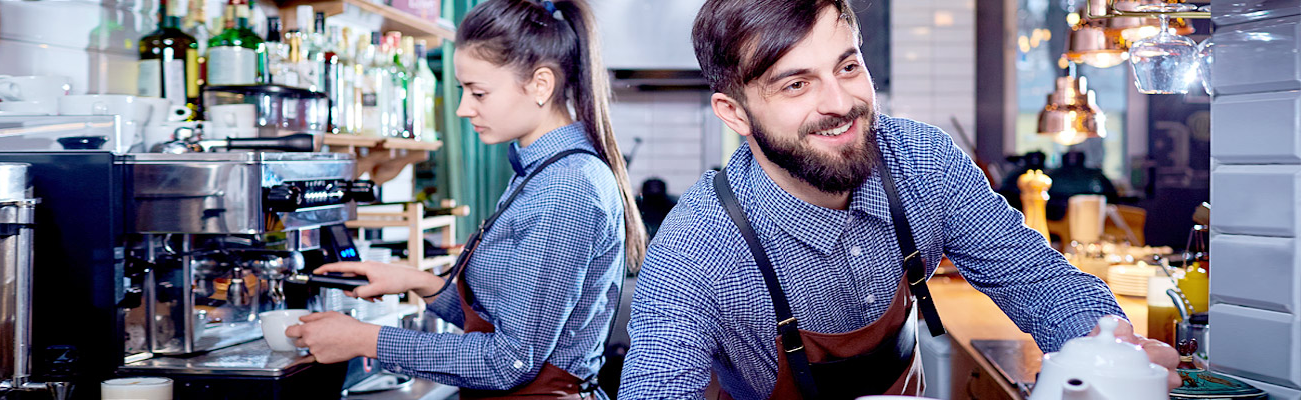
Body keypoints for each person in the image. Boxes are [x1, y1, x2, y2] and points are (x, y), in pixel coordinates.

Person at [617, 0, 1180, 398]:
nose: (840, 103)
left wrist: (1109, 349)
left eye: (847, 67)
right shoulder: (694, 251)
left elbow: (1035, 279)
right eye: (796, 84)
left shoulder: (921, 162)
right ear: (734, 112)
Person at [284, 1, 645, 398]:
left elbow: (508, 361)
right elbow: (509, 321)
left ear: (541, 85)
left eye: (479, 93)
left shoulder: (565, 188)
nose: (462, 109)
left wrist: (363, 339)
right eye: (463, 90)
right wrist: (418, 282)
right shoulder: (542, 170)